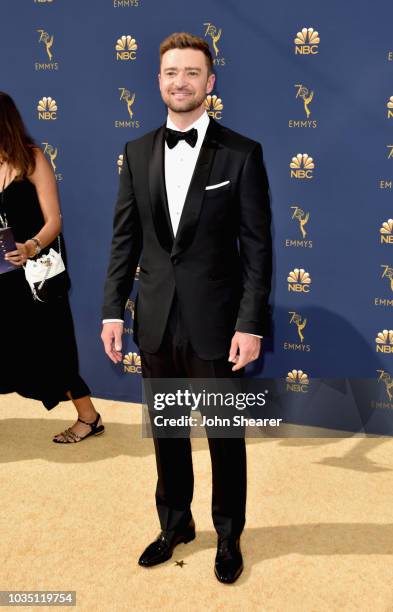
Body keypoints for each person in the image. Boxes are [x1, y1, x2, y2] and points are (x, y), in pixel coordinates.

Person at [101, 32, 272, 583]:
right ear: (158, 81)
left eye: (192, 73)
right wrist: (112, 312)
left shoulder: (242, 153)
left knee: (225, 436)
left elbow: (258, 247)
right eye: (171, 72)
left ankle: (228, 534)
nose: (181, 81)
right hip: (154, 319)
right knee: (168, 431)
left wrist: (250, 322)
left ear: (209, 83)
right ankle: (175, 523)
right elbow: (123, 240)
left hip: (217, 323)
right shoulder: (136, 151)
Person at [0, 91, 104, 443]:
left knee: (54, 346)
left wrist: (30, 247)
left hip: (37, 275)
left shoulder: (32, 159)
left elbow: (53, 221)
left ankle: (88, 418)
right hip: (2, 274)